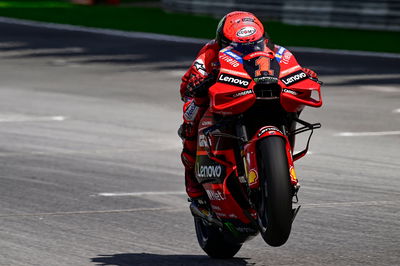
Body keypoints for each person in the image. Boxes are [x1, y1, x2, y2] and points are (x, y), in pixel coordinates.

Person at [178, 11, 318, 202]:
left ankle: (282, 168)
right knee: (192, 114)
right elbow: (189, 83)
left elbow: (291, 67)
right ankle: (193, 181)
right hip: (224, 97)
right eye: (235, 44)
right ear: (223, 40)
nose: (248, 48)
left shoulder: (277, 50)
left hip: (258, 92)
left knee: (293, 103)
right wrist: (198, 83)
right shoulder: (209, 52)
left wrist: (304, 74)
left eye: (255, 42)